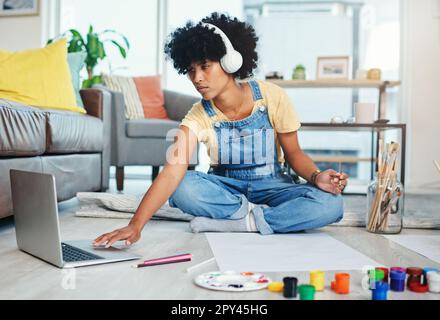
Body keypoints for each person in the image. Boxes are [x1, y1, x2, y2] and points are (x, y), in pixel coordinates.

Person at [94, 12, 348, 248]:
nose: (197, 78)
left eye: (205, 66)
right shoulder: (197, 115)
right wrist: (135, 225)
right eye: (191, 70)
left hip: (274, 185)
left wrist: (316, 177)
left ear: (230, 61)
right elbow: (171, 173)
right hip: (226, 189)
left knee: (331, 204)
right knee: (183, 185)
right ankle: (261, 219)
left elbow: (294, 155)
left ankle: (244, 223)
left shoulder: (272, 97)